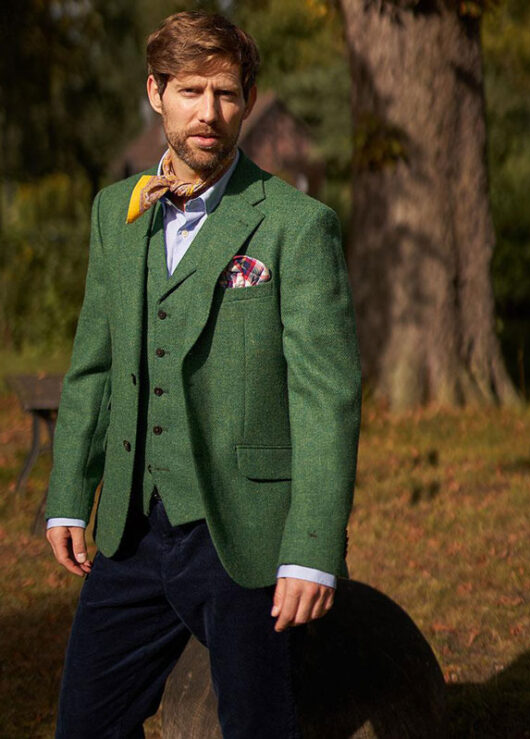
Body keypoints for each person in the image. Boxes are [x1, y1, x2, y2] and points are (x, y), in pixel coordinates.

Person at [45, 10, 361, 739]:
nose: (209, 113)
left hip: (246, 534)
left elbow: (327, 398)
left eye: (226, 93)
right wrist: (68, 496)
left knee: (257, 725)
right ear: (155, 93)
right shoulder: (114, 212)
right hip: (129, 531)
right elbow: (94, 364)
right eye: (190, 90)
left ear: (247, 101)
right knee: (84, 725)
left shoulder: (295, 224)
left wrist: (312, 549)